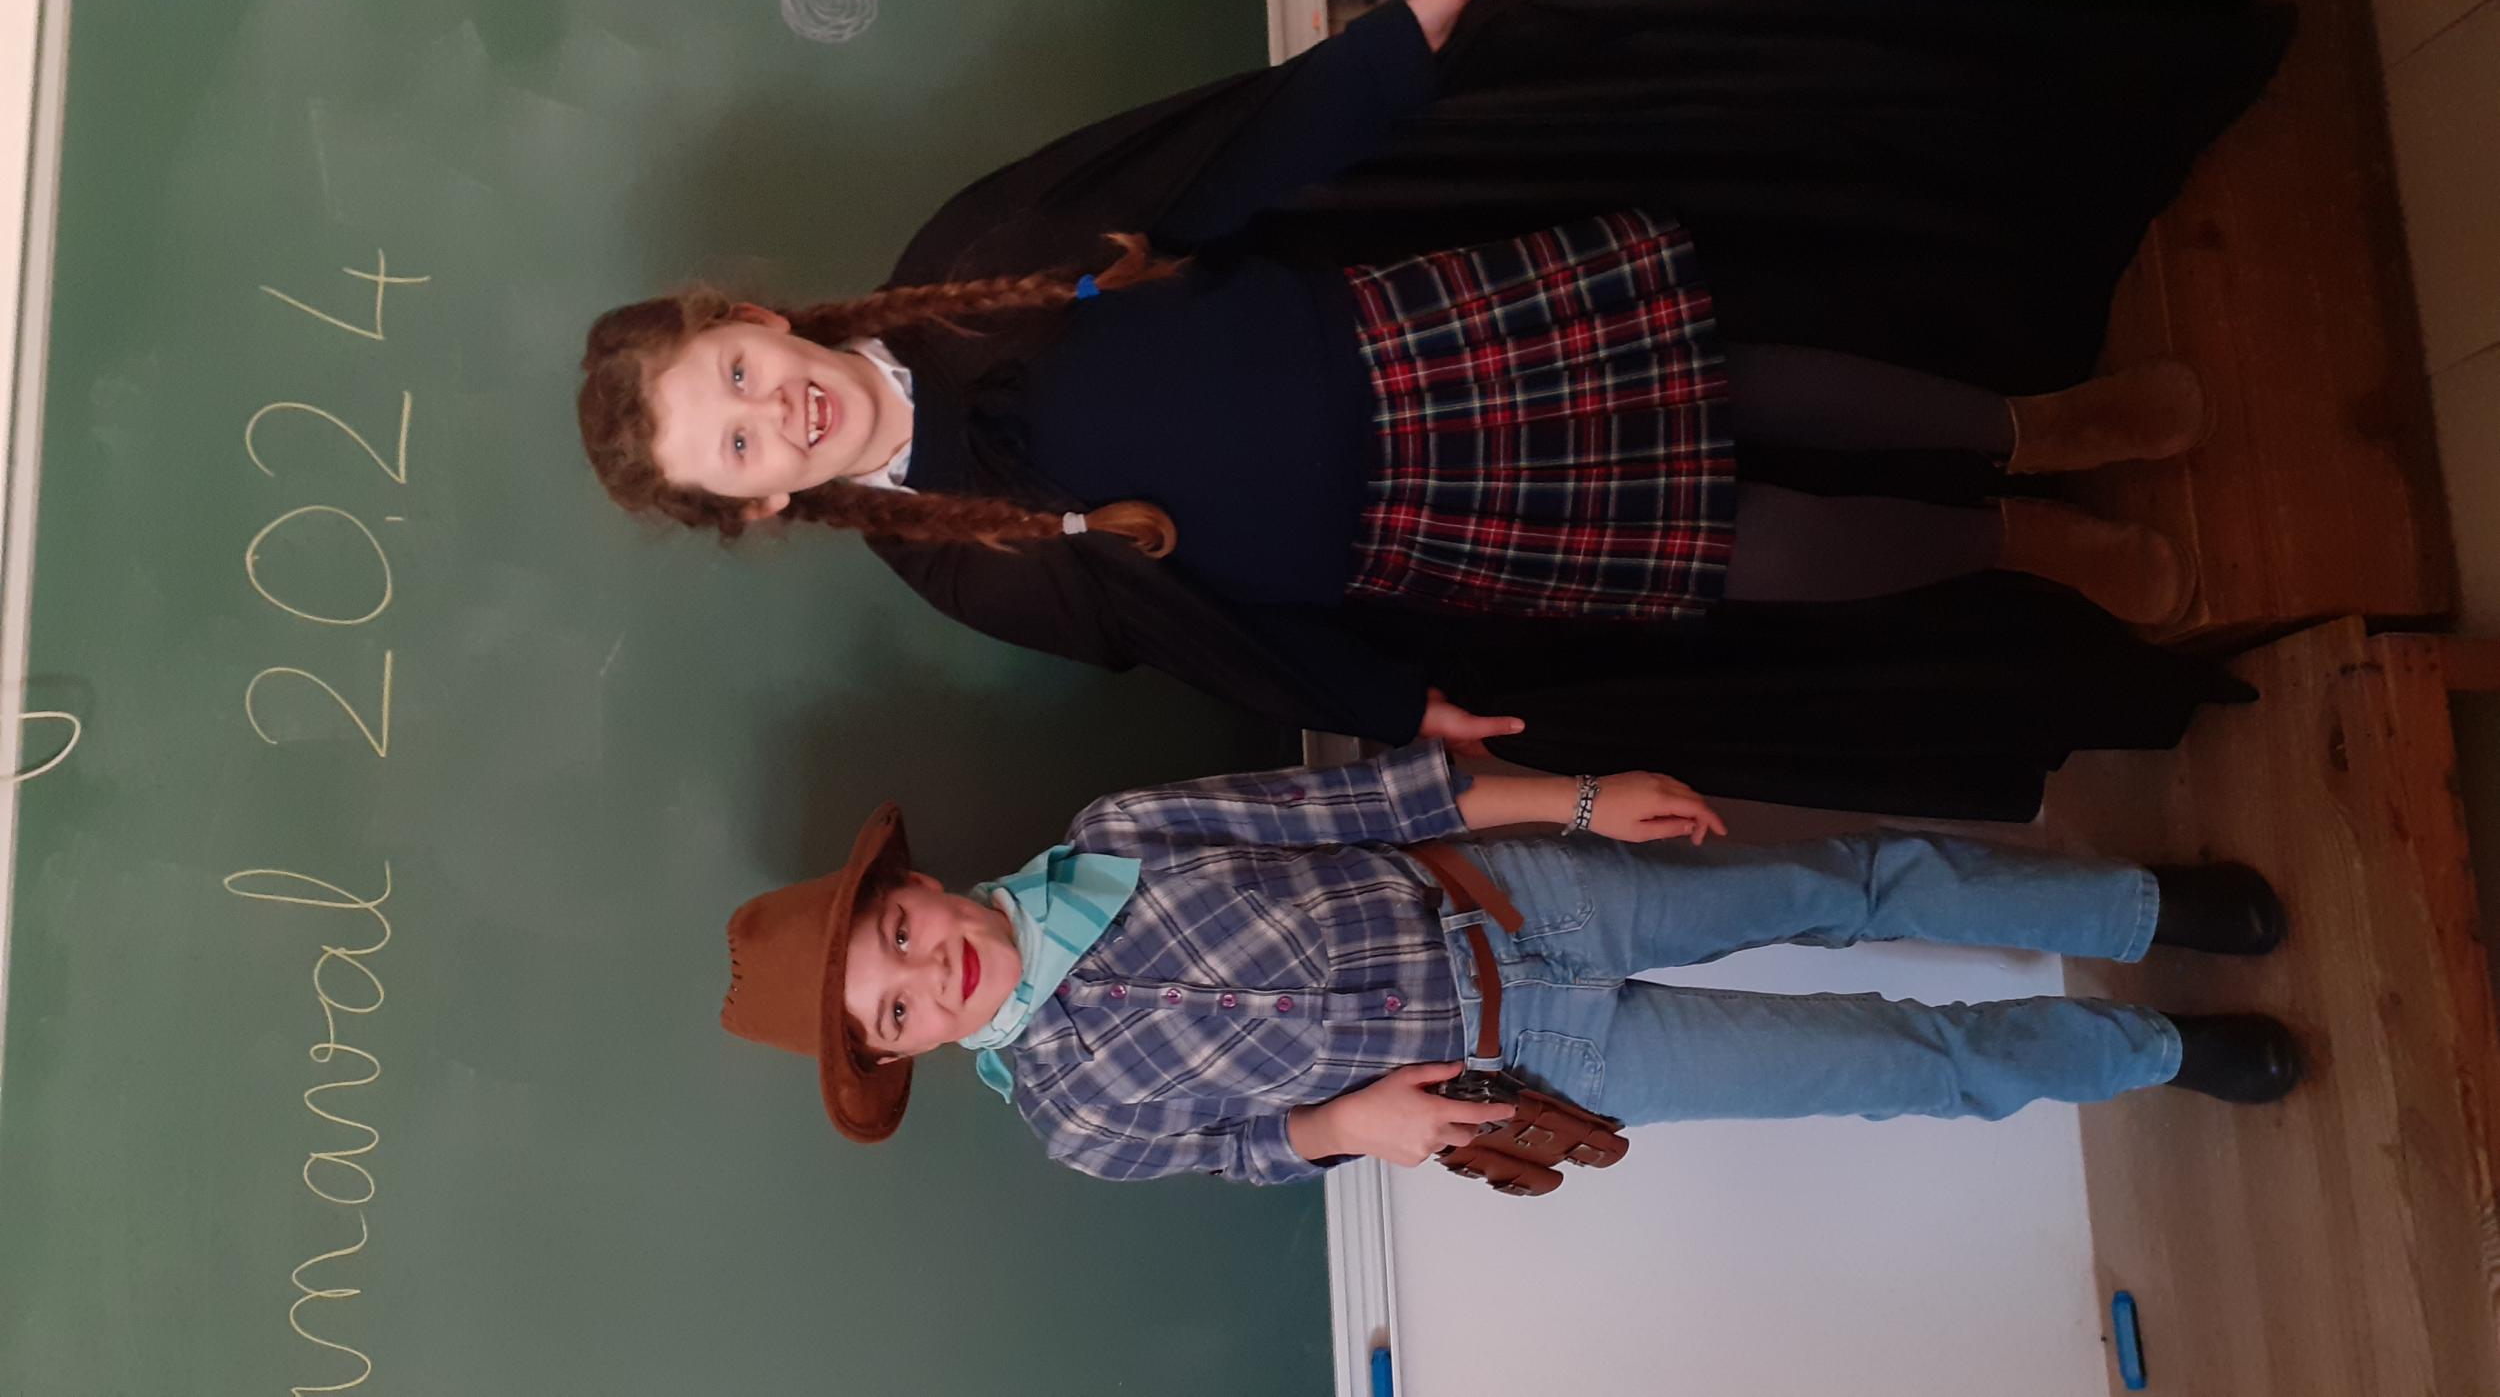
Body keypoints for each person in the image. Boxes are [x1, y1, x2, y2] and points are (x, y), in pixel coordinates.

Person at [580, 0, 2295, 819]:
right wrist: (1398, 702)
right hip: (1423, 525)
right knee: (1752, 548)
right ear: (760, 505)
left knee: (1743, 372)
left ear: (754, 319)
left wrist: (1405, 34)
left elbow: (1227, 159)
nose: (769, 411)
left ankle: (2041, 429)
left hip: (1411, 341)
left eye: (734, 374)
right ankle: (2031, 548)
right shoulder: (959, 566)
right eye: (733, 448)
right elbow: (1209, 630)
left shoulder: (967, 250)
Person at [719, 743, 2299, 1183]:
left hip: (1531, 902)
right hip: (1537, 1064)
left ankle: (2140, 910)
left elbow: (1351, 804)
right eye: (895, 1011)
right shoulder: (1073, 1119)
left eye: (899, 934)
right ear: (908, 1049)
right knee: (1895, 1063)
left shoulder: (1118, 830)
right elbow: (1250, 1148)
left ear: (919, 886)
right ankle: (2161, 1053)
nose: (928, 973)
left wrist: (1581, 799)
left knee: (1848, 882)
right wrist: (1361, 1123)